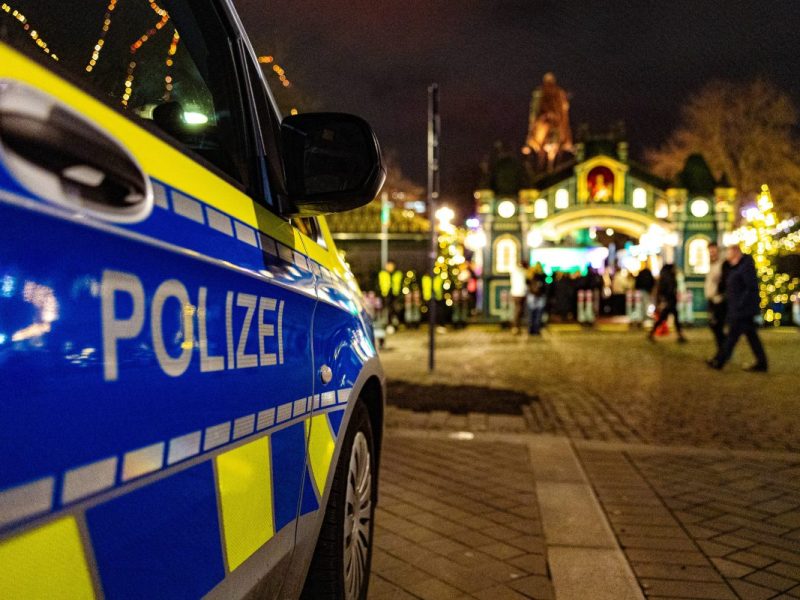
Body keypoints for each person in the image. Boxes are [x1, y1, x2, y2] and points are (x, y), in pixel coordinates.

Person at [708, 245, 768, 372]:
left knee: (732, 337)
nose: (726, 256)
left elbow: (750, 288)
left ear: (735, 253)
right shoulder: (734, 268)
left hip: (742, 310)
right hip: (739, 309)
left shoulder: (745, 267)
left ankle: (719, 361)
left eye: (728, 252)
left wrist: (740, 304)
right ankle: (762, 362)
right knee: (751, 336)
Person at [648, 264, 687, 343]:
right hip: (670, 301)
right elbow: (669, 290)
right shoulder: (669, 278)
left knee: (667, 319)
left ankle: (651, 333)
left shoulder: (664, 277)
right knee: (667, 318)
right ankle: (651, 333)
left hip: (669, 301)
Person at [704, 242, 730, 356]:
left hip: (719, 300)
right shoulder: (712, 264)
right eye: (710, 251)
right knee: (714, 326)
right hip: (711, 299)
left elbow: (724, 281)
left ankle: (723, 352)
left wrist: (720, 293)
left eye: (713, 251)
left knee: (717, 326)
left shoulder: (723, 264)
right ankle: (724, 350)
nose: (712, 253)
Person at [527, 264, 547, 335]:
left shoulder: (530, 275)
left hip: (532, 295)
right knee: (538, 313)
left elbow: (527, 283)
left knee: (531, 313)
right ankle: (536, 329)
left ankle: (531, 329)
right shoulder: (543, 276)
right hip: (540, 296)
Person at [509, 259, 528, 334]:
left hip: (515, 292)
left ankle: (516, 326)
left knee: (517, 310)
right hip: (520, 293)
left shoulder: (514, 271)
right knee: (518, 310)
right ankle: (516, 326)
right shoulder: (523, 272)